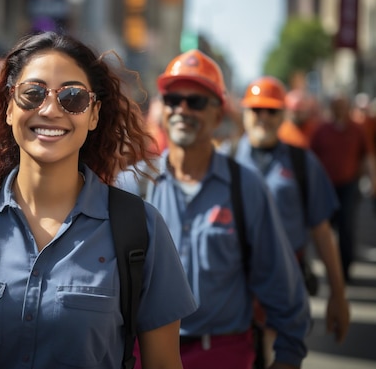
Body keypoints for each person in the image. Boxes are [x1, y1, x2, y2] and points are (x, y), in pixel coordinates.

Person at [0, 31, 197, 369]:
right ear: (8, 109)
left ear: (93, 114)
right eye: (33, 94)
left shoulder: (140, 230)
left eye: (72, 97)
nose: (50, 109)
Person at [117, 50, 310, 369]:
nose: (182, 109)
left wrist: (289, 356)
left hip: (222, 352)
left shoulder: (246, 187)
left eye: (196, 102)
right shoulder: (131, 184)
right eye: (173, 99)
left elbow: (280, 280)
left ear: (218, 115)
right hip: (143, 352)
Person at [234, 76, 350, 357]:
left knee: (281, 352)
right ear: (244, 113)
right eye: (256, 110)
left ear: (283, 114)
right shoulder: (225, 160)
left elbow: (322, 231)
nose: (263, 117)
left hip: (285, 279)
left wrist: (338, 293)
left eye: (271, 110)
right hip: (235, 282)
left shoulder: (302, 162)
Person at [310, 93, 376, 282]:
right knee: (325, 229)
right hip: (326, 187)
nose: (339, 109)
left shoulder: (357, 130)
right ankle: (331, 268)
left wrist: (373, 180)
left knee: (347, 227)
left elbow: (368, 156)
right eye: (336, 105)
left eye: (342, 105)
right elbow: (310, 160)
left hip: (349, 185)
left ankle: (345, 269)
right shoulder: (321, 130)